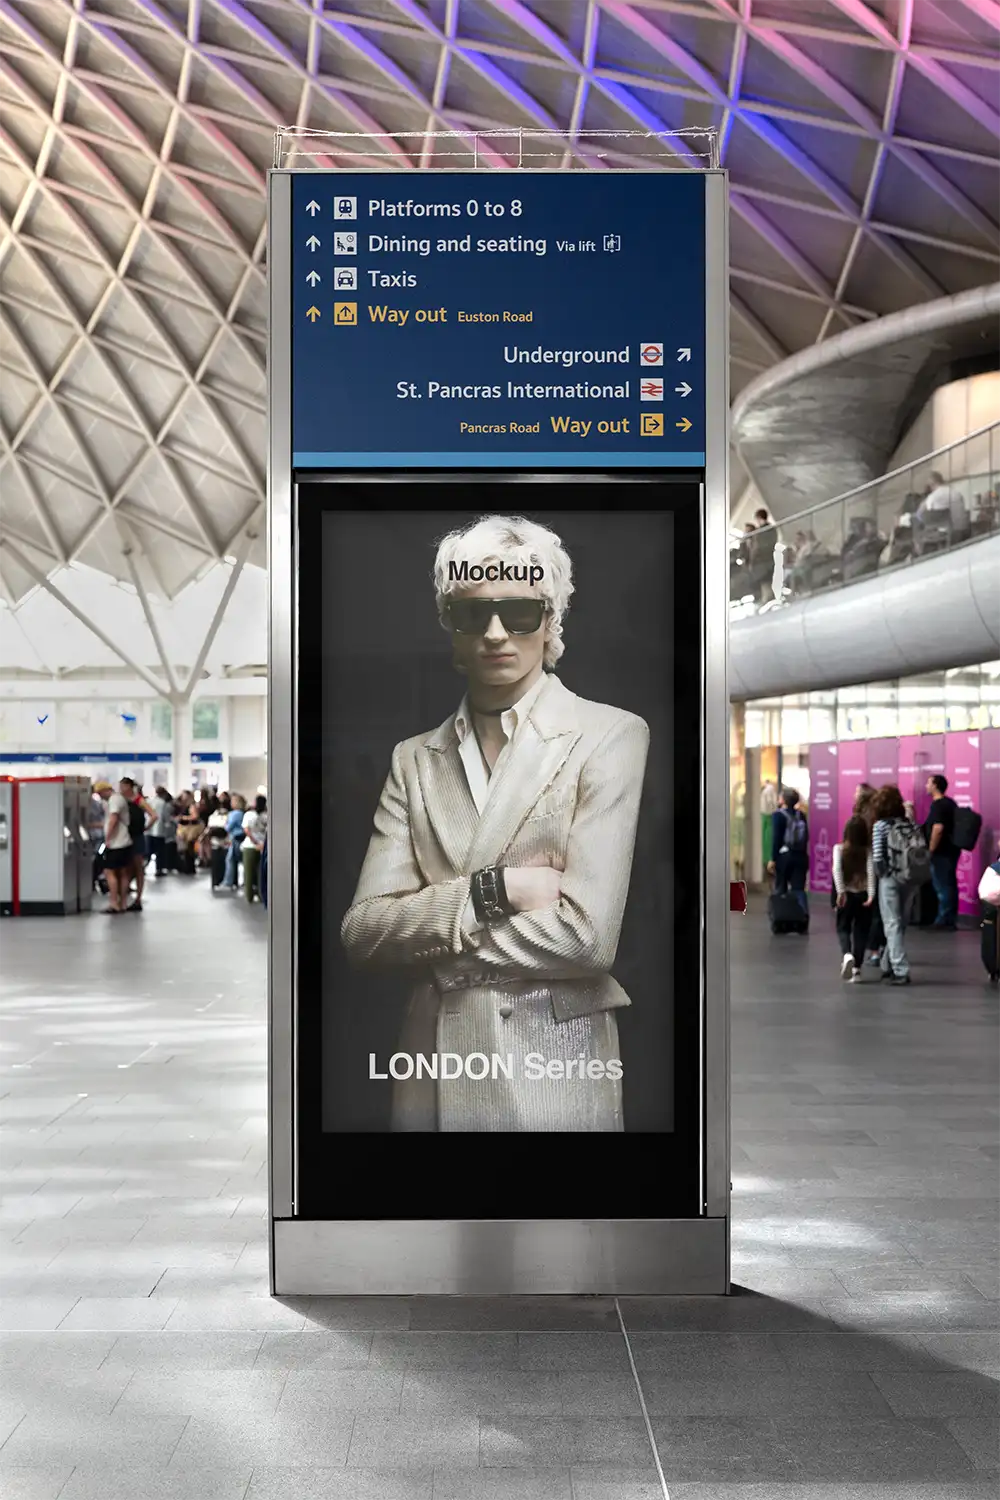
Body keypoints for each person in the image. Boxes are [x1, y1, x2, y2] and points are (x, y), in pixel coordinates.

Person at [340, 513, 649, 1134]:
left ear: (552, 620)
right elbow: (363, 932)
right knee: (436, 1229)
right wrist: (495, 890)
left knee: (559, 1232)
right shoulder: (414, 759)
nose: (496, 633)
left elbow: (588, 939)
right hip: (433, 1054)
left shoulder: (610, 735)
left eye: (521, 612)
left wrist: (437, 948)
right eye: (471, 613)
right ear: (448, 627)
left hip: (553, 1058)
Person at [871, 783, 914, 985]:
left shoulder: (880, 826)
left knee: (891, 922)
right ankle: (888, 963)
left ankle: (900, 969)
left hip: (890, 878)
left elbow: (878, 857)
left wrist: (883, 875)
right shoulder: (908, 823)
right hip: (909, 877)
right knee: (900, 923)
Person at [833, 816, 875, 982]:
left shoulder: (839, 849)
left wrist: (841, 892)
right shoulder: (867, 851)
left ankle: (846, 954)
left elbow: (837, 871)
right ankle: (857, 969)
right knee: (861, 931)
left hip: (847, 895)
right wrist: (871, 894)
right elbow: (871, 873)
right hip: (863, 895)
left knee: (843, 927)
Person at [924, 773, 959, 929]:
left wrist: (930, 849)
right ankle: (947, 917)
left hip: (942, 852)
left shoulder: (939, 806)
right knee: (947, 884)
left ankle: (944, 920)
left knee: (943, 885)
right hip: (950, 850)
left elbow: (938, 829)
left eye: (929, 783)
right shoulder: (949, 803)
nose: (926, 785)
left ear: (935, 786)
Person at [767, 788, 809, 916]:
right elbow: (806, 836)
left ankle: (781, 916)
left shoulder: (778, 815)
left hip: (784, 857)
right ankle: (803, 916)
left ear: (783, 800)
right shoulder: (801, 815)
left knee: (781, 888)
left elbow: (777, 839)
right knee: (799, 889)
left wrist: (773, 859)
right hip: (800, 856)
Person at [93, 778, 132, 914]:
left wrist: (107, 838)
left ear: (105, 790)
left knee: (109, 872)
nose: (100, 796)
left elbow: (113, 819)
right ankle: (123, 904)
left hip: (116, 843)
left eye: (100, 793)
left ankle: (114, 903)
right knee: (122, 872)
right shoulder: (118, 799)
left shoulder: (114, 800)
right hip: (124, 841)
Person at [119, 777, 153, 913]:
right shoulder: (134, 800)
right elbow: (153, 816)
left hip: (132, 836)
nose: (121, 789)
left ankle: (133, 899)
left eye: (122, 786)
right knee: (132, 868)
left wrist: (145, 828)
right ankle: (128, 899)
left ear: (129, 786)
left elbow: (154, 815)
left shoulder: (135, 800)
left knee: (134, 868)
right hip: (134, 836)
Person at [241, 794, 268, 902]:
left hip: (249, 847)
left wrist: (254, 841)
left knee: (248, 873)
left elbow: (246, 830)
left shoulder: (248, 815)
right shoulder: (267, 815)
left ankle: (249, 896)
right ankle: (262, 896)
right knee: (260, 873)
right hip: (263, 847)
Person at [147, 786, 175, 878]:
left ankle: (143, 866)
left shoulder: (149, 801)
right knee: (160, 851)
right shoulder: (163, 803)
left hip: (149, 829)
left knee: (149, 850)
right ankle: (159, 869)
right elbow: (166, 817)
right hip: (159, 830)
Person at [220, 794, 247, 890]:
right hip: (240, 839)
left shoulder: (235, 814)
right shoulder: (242, 813)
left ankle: (228, 882)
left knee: (230, 860)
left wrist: (225, 823)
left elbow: (228, 827)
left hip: (236, 839)